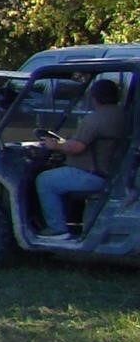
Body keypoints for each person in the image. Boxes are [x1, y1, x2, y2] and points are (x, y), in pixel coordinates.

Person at [35, 76, 128, 239]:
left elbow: (77, 147)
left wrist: (54, 145)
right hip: (115, 174)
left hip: (94, 176)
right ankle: (72, 223)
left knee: (45, 180)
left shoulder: (95, 119)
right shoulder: (124, 116)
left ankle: (57, 229)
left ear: (94, 97)